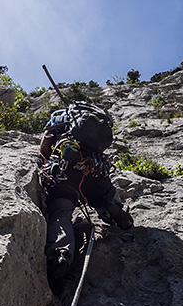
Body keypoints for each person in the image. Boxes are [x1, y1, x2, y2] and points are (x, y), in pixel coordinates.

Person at [39, 121, 133, 293]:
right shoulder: (85, 132)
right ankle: (114, 210)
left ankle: (61, 254)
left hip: (66, 176)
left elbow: (44, 150)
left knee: (62, 214)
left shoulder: (55, 127)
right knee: (104, 196)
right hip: (93, 171)